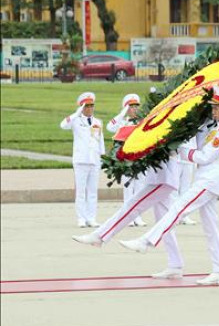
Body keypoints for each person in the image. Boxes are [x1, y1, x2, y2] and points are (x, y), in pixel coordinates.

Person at [119, 86, 219, 285]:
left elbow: (204, 156)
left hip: (210, 180)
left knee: (178, 208)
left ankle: (146, 241)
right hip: (206, 178)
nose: (213, 111)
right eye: (213, 108)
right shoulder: (217, 128)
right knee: (210, 226)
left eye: (217, 108)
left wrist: (180, 149)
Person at [71, 154, 186, 280]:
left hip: (165, 178)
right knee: (163, 223)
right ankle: (175, 264)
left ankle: (100, 236)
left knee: (133, 205)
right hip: (159, 175)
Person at [60, 92, 105, 228]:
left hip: (94, 160)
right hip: (81, 160)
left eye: (92, 105)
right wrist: (76, 113)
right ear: (81, 107)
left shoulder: (98, 122)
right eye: (87, 106)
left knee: (92, 191)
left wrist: (102, 157)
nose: (90, 108)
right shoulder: (75, 121)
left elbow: (100, 141)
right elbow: (63, 125)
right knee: (81, 191)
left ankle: (91, 218)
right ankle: (81, 218)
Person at [106, 93, 147, 227]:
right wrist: (122, 113)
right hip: (127, 159)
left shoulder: (141, 121)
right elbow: (109, 127)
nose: (134, 109)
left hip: (139, 158)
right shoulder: (122, 122)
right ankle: (127, 216)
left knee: (140, 188)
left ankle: (137, 216)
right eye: (131, 107)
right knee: (129, 189)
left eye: (136, 106)